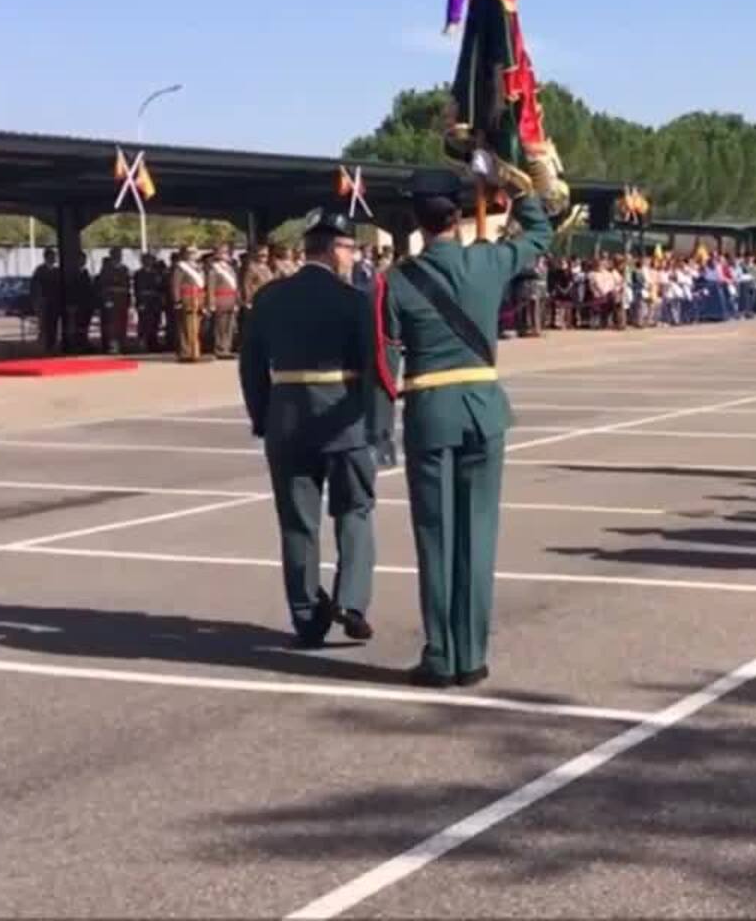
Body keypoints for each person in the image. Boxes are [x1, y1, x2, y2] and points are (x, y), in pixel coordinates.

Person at [380, 160, 553, 688]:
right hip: (483, 408)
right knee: (478, 536)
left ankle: (441, 654)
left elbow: (386, 361)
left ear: (417, 219)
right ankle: (472, 655)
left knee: (435, 538)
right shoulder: (489, 262)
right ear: (458, 213)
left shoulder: (396, 280)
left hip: (431, 413)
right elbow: (541, 234)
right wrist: (515, 190)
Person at [239, 211, 392, 647]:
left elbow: (250, 366)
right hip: (344, 419)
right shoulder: (354, 300)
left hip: (286, 420)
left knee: (296, 524)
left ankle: (306, 616)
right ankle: (351, 600)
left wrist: (262, 416)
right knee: (354, 512)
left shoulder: (270, 297)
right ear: (330, 250)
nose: (353, 256)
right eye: (348, 248)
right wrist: (376, 426)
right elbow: (373, 365)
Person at [171, 246, 207, 363]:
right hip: (187, 298)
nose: (194, 255)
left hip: (199, 298)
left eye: (195, 252)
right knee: (186, 327)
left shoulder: (199, 268)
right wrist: (177, 300)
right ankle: (185, 352)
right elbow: (176, 285)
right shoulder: (181, 267)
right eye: (191, 253)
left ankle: (195, 351)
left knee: (196, 328)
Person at [95, 248, 132, 354]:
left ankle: (122, 343)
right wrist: (107, 300)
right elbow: (103, 286)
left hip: (122, 300)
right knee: (111, 324)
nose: (118, 256)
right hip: (111, 299)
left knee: (122, 323)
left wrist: (128, 300)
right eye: (116, 254)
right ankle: (113, 346)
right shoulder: (106, 269)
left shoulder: (124, 269)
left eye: (119, 254)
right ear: (112, 255)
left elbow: (127, 286)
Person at [31, 247, 63, 354]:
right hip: (44, 302)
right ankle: (45, 346)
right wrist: (37, 301)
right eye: (51, 256)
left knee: (54, 324)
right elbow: (34, 287)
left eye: (54, 257)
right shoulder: (40, 270)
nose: (53, 258)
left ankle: (52, 345)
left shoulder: (57, 271)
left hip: (55, 302)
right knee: (44, 324)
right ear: (46, 257)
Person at [133, 253, 166, 353]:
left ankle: (154, 343)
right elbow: (137, 289)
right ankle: (143, 344)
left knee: (155, 323)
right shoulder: (139, 274)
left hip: (155, 301)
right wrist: (140, 302)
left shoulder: (156, 273)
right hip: (145, 301)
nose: (149, 262)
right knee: (144, 324)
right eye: (146, 260)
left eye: (151, 260)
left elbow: (161, 288)